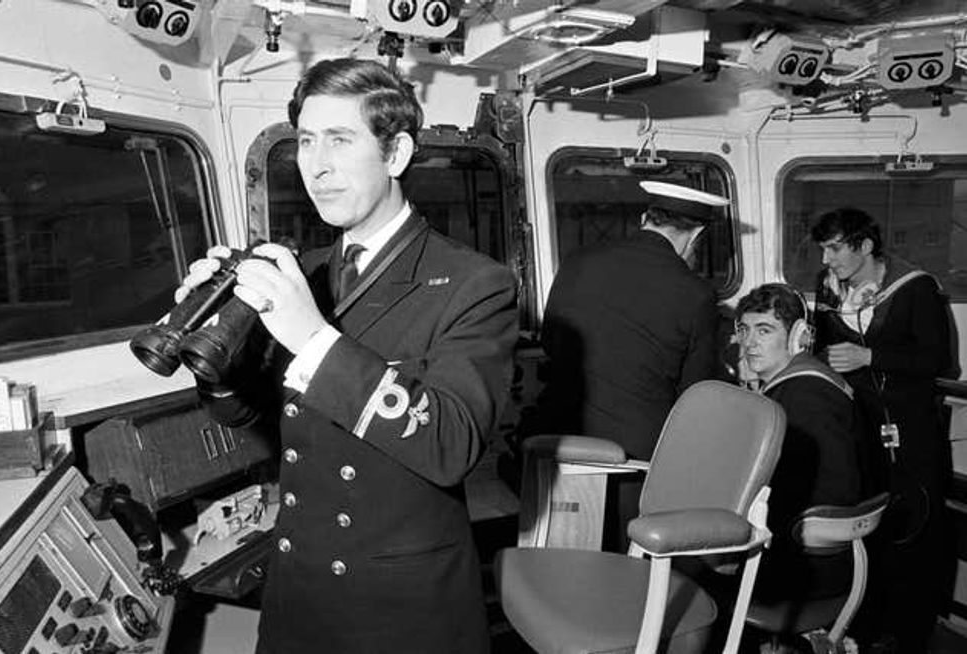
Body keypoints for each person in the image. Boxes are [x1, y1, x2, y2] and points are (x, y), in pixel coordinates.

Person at [176, 58, 518, 654]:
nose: (317, 165)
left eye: (340, 139)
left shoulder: (473, 283)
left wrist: (312, 338)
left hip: (399, 606)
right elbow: (258, 420)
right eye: (306, 141)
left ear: (397, 154)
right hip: (297, 590)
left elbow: (451, 445)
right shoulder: (304, 273)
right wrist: (214, 361)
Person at [532, 180, 725, 551]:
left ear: (644, 219)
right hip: (637, 459)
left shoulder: (577, 262)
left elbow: (550, 344)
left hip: (563, 443)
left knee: (564, 557)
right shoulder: (696, 294)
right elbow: (695, 392)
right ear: (696, 234)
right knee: (625, 566)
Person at [811, 206, 954, 653]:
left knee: (915, 529)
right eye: (823, 250)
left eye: (834, 248)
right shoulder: (828, 289)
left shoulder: (917, 289)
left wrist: (870, 359)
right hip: (859, 426)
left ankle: (911, 631)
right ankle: (865, 623)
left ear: (865, 245)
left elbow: (936, 362)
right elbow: (822, 346)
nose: (826, 260)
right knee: (867, 529)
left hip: (910, 430)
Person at [734, 283, 865, 600]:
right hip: (824, 555)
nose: (749, 343)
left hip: (807, 567)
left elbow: (817, 492)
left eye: (764, 331)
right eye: (744, 330)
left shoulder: (804, 396)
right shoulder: (808, 382)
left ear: (799, 337)